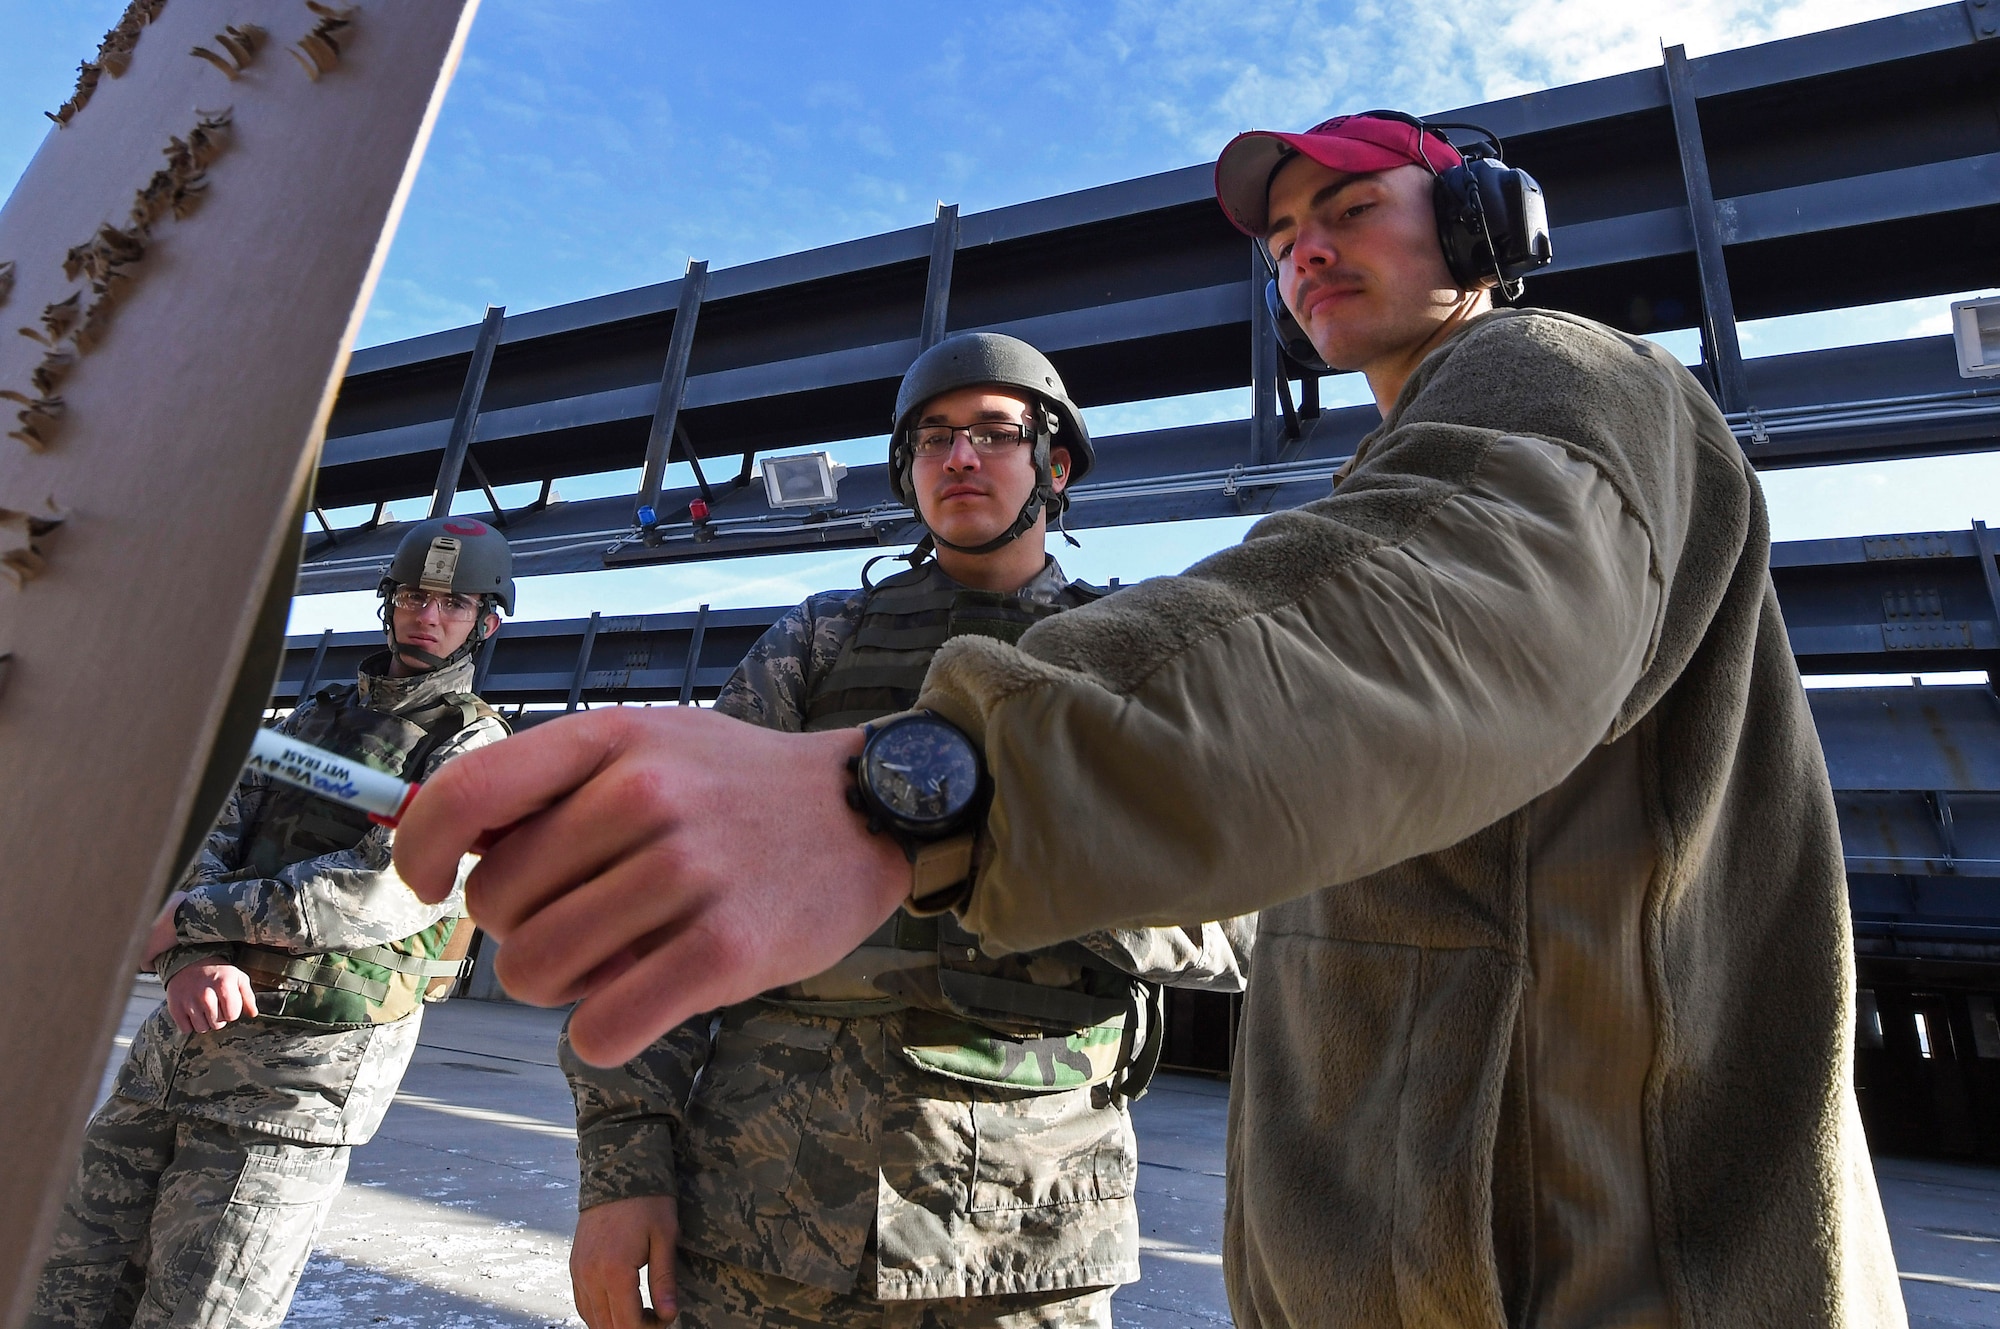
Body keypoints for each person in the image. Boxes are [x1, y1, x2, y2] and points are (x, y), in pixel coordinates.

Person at [395, 112, 1906, 1326]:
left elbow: (1427, 619)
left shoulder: (1554, 378)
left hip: (1391, 1247)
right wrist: (628, 1166)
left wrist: (931, 793)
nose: (1307, 252)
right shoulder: (847, 636)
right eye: (1287, 239)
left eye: (1350, 209)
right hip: (803, 1200)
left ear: (1478, 227)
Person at [562, 332, 1254, 1329]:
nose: (959, 457)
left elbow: (1250, 916)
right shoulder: (815, 644)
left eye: (991, 433)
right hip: (762, 1217)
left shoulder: (1139, 660)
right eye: (932, 439)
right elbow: (669, 901)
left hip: (1020, 1242)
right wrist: (622, 1163)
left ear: (1053, 466)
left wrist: (1033, 865)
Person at [30, 517, 515, 1329]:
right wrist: (190, 957)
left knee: (201, 1314)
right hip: (177, 1052)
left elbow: (386, 883)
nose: (427, 616)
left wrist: (189, 917)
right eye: (414, 596)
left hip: (292, 1089)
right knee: (64, 1293)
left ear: (486, 621)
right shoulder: (307, 725)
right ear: (388, 602)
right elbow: (211, 827)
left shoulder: (476, 748)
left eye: (454, 603)